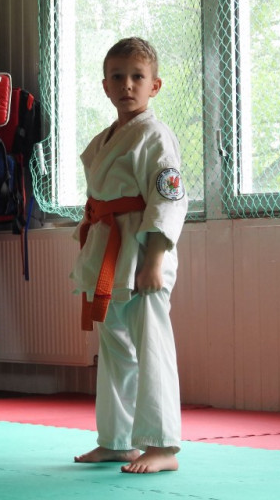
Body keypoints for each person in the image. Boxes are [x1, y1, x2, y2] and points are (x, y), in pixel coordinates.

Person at [71, 37, 188, 474]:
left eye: (138, 77)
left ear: (154, 85)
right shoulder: (106, 139)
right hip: (110, 252)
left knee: (151, 346)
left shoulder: (156, 136)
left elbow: (168, 199)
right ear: (105, 86)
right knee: (115, 348)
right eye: (117, 77)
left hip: (143, 252)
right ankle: (117, 441)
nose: (127, 85)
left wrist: (155, 260)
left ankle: (162, 446)